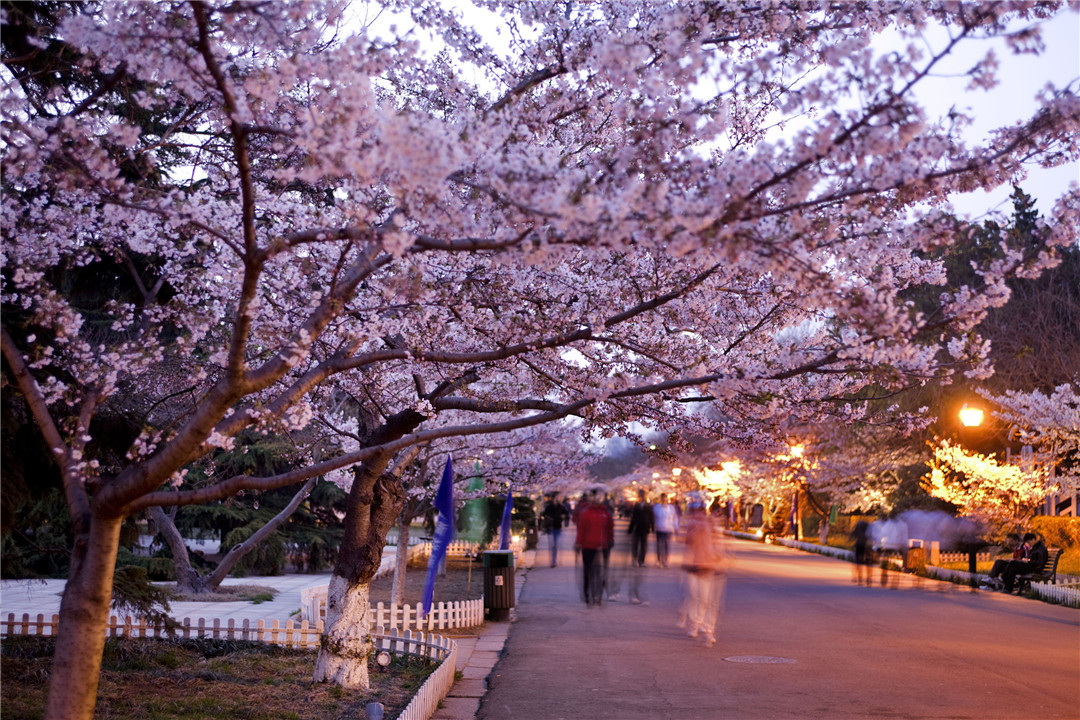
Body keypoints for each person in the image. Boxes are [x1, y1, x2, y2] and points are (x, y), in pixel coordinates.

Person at [679, 501, 727, 646]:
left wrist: (719, 554)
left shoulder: (712, 524)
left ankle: (708, 629)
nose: (698, 514)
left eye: (701, 511)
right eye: (696, 511)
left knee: (706, 599)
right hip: (693, 565)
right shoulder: (691, 525)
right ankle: (694, 623)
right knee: (694, 596)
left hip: (707, 565)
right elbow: (687, 542)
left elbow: (718, 542)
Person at [575, 490, 614, 606]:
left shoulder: (605, 513)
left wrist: (610, 540)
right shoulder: (586, 514)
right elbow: (581, 529)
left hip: (602, 546)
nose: (597, 499)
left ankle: (598, 594)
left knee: (599, 572)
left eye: (599, 497)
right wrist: (578, 542)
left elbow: (610, 528)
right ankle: (587, 594)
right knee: (588, 571)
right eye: (595, 497)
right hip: (588, 546)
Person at [541, 493, 569, 567]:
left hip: (558, 527)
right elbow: (543, 514)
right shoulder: (548, 506)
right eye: (555, 498)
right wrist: (547, 517)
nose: (556, 499)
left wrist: (563, 516)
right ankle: (553, 561)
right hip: (550, 527)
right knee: (552, 544)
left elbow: (567, 513)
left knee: (556, 544)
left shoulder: (561, 506)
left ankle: (554, 561)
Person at [627, 489, 654, 567]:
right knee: (635, 544)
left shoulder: (648, 505)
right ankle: (635, 559)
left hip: (645, 528)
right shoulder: (636, 505)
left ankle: (641, 560)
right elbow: (633, 518)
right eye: (640, 494)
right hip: (637, 527)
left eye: (642, 494)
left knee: (643, 545)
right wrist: (630, 528)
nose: (641, 496)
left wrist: (652, 527)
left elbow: (651, 517)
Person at [653, 493, 679, 568]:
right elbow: (654, 517)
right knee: (659, 545)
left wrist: (676, 527)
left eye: (665, 498)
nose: (664, 500)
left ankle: (665, 560)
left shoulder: (671, 508)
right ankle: (659, 560)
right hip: (659, 528)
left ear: (667, 499)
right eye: (662, 498)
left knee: (667, 545)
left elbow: (675, 518)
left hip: (668, 529)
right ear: (660, 499)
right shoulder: (657, 507)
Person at [850, 520, 871, 585]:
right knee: (867, 563)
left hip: (858, 546)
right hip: (866, 547)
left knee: (857, 562)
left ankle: (859, 578)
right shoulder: (867, 531)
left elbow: (851, 536)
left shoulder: (857, 530)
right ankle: (868, 578)